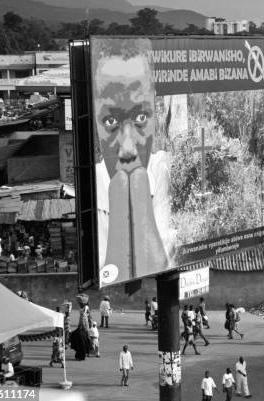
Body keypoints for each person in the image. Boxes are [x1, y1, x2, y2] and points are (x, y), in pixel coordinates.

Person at [93, 38, 170, 285]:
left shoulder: (169, 174)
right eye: (110, 122)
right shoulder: (91, 190)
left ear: (156, 112)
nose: (127, 149)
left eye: (140, 116)